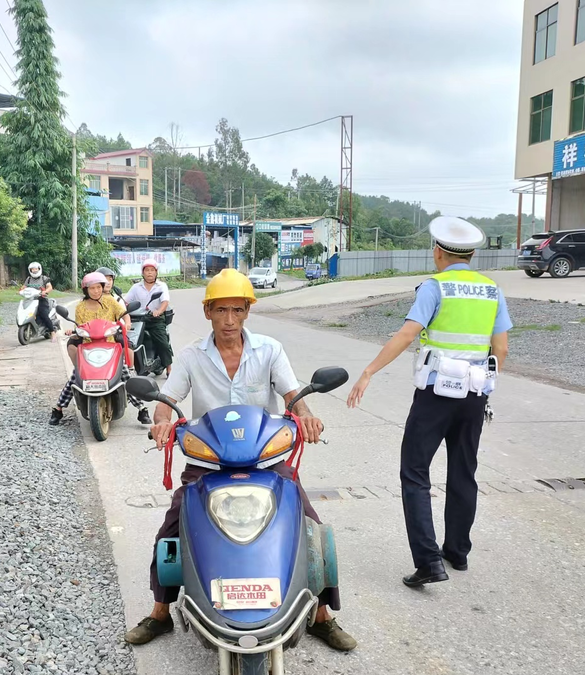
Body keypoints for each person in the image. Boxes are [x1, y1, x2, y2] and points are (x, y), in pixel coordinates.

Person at [123, 268, 357, 652]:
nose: (229, 320)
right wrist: (161, 424)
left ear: (247, 311)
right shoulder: (191, 356)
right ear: (207, 312)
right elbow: (167, 401)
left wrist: (306, 416)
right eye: (220, 311)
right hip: (209, 462)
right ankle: (160, 611)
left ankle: (322, 616)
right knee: (171, 527)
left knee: (311, 526)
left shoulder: (269, 350)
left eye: (237, 310)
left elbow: (292, 395)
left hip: (264, 459)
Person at [346, 216, 512, 587]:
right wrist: (483, 385)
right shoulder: (491, 291)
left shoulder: (434, 287)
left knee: (415, 472)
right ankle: (457, 552)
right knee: (464, 471)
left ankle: (428, 561)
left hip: (436, 394)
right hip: (474, 395)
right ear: (470, 255)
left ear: (438, 252)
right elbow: (500, 348)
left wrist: (370, 370)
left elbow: (408, 334)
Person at [49, 271, 151, 426]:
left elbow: (124, 314)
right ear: (86, 290)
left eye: (98, 287)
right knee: (77, 376)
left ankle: (141, 409)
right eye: (92, 288)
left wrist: (126, 323)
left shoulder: (110, 302)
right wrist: (74, 330)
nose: (96, 291)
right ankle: (58, 408)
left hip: (109, 344)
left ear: (103, 287)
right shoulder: (81, 307)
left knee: (124, 373)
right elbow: (80, 326)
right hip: (88, 346)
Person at [123, 260, 173, 377]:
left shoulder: (161, 286)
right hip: (138, 319)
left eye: (152, 270)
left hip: (155, 319)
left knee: (162, 341)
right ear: (142, 273)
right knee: (129, 341)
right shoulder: (136, 287)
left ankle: (169, 368)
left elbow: (165, 301)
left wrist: (159, 311)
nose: (149, 273)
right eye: (147, 270)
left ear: (156, 273)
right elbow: (125, 301)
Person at [23, 261, 57, 342]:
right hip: (31, 300)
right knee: (28, 314)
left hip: (42, 299)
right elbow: (24, 287)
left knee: (44, 315)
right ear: (30, 270)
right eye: (32, 269)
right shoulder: (28, 279)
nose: (34, 270)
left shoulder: (44, 278)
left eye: (36, 269)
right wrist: (20, 290)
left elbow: (49, 287)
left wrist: (45, 291)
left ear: (39, 269)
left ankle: (52, 332)